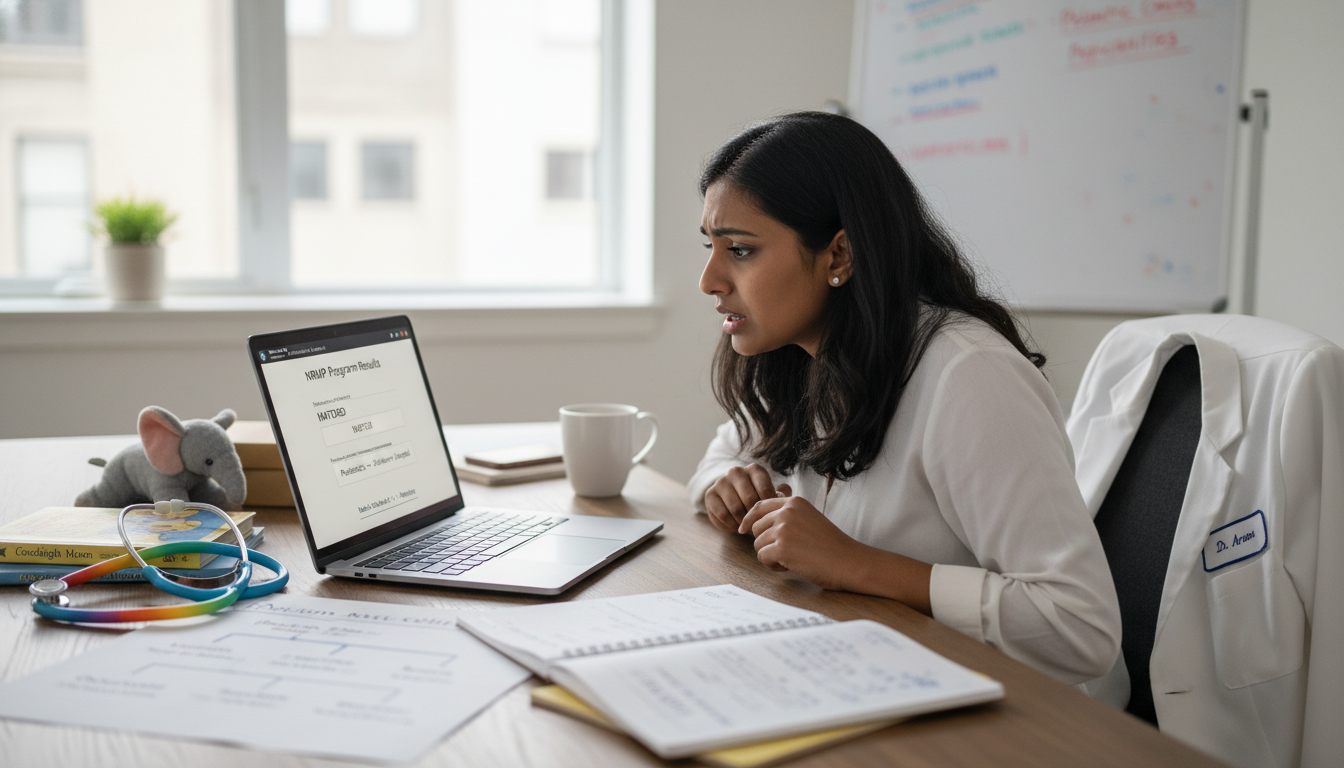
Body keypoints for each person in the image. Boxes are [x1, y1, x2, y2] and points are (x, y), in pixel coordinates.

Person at [687, 111, 1123, 692]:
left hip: (1014, 708)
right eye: (711, 246)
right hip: (872, 673)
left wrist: (855, 564)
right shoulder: (799, 353)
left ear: (839, 256)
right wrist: (727, 485)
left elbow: (1079, 626)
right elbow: (721, 458)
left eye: (740, 250)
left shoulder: (970, 377)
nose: (709, 280)